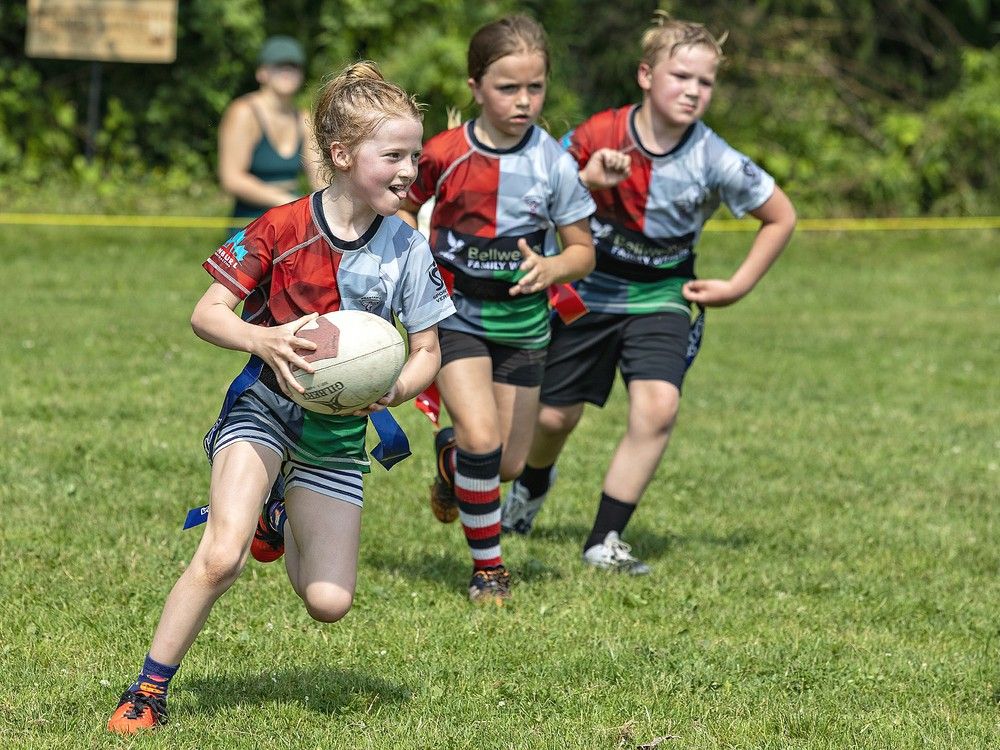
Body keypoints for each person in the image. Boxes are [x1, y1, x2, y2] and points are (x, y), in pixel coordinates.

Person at [107, 62, 454, 734]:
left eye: (416, 154)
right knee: (221, 553)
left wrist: (390, 392)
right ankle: (147, 691)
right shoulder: (280, 226)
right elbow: (208, 314)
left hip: (336, 434)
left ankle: (281, 514)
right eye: (395, 155)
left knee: (328, 601)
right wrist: (263, 341)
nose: (411, 169)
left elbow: (428, 352)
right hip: (263, 408)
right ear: (342, 155)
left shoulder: (409, 248)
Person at [501, 13, 797, 573]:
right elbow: (529, 193)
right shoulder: (596, 135)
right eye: (680, 75)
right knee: (552, 422)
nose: (692, 91)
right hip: (586, 291)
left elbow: (780, 215)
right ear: (645, 74)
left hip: (662, 296)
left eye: (704, 82)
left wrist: (736, 286)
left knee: (659, 407)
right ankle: (533, 486)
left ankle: (603, 539)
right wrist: (585, 178)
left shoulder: (715, 157)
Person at [397, 15, 596, 605]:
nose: (524, 101)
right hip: (454, 314)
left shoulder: (554, 164)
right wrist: (412, 258)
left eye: (535, 88)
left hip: (526, 324)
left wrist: (554, 268)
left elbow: (583, 250)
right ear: (475, 86)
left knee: (506, 462)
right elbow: (404, 205)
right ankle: (488, 569)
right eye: (508, 88)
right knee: (483, 439)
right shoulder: (444, 153)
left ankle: (449, 458)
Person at [218, 35, 323, 237]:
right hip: (250, 229)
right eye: (279, 66)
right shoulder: (243, 112)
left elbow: (319, 177)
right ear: (262, 73)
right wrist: (286, 202)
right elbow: (231, 178)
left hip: (291, 227)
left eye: (293, 66)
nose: (287, 72)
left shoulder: (303, 118)